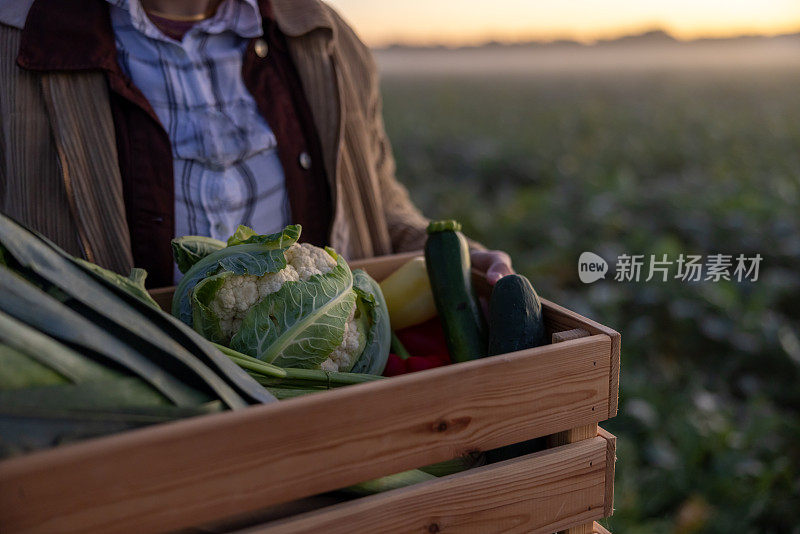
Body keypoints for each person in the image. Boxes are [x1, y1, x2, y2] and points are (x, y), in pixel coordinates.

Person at [0, 0, 512, 287]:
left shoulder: (326, 38)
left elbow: (379, 209)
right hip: (120, 437)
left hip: (320, 406)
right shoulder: (16, 43)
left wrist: (450, 253)